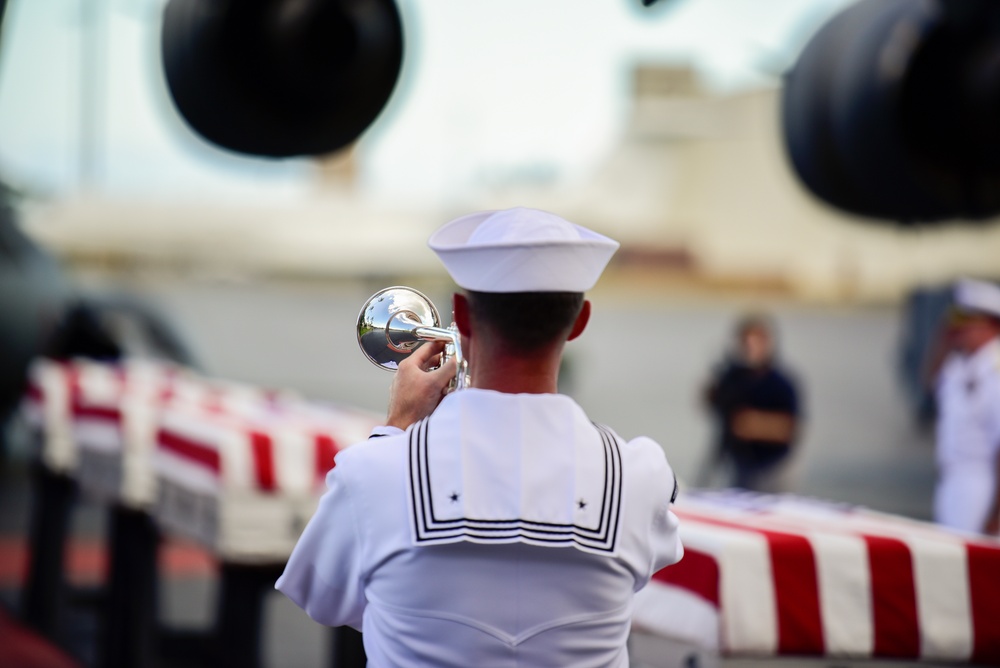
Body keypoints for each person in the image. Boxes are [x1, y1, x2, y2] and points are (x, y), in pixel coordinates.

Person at [276, 207, 683, 666]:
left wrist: (397, 426)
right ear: (579, 323)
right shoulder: (638, 477)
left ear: (463, 318)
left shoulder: (374, 473)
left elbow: (324, 599)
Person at [700, 313, 802, 492]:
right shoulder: (733, 377)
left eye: (756, 342)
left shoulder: (781, 383)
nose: (750, 348)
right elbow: (710, 405)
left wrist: (755, 424)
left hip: (773, 468)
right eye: (746, 342)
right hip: (741, 465)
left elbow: (791, 429)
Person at [932, 278, 1000, 536]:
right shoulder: (958, 365)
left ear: (992, 326)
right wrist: (942, 337)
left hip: (983, 486)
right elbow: (928, 384)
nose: (959, 331)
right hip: (952, 480)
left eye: (968, 324)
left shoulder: (995, 371)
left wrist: (995, 513)